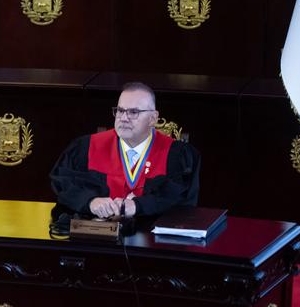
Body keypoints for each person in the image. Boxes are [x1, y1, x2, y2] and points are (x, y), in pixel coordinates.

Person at [50, 82, 199, 220]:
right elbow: (63, 183)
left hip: (152, 241)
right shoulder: (87, 147)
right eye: (120, 111)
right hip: (97, 240)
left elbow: (179, 199)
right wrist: (90, 201)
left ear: (153, 119)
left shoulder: (176, 154)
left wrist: (138, 205)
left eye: (133, 112)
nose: (124, 118)